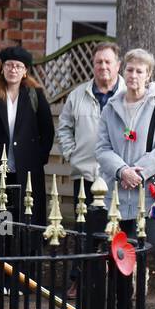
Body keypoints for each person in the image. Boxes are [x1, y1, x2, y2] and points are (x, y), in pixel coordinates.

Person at [96, 47, 155, 309]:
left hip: (151, 190)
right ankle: (123, 307)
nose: (134, 75)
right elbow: (102, 148)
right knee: (121, 247)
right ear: (123, 71)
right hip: (120, 190)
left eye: (140, 71)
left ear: (148, 75)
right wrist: (122, 170)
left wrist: (140, 171)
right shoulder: (112, 107)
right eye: (130, 70)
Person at [0, 45, 55, 292]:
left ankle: (22, 280)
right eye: (9, 65)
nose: (13, 70)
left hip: (27, 172)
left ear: (25, 71)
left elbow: (47, 132)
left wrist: (38, 158)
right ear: (2, 68)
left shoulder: (35, 96)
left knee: (24, 224)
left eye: (18, 66)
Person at [56, 41, 124, 200]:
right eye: (99, 62)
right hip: (84, 176)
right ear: (93, 65)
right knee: (84, 224)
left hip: (120, 177)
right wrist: (72, 155)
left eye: (108, 62)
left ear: (118, 65)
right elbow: (64, 129)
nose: (103, 66)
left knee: (116, 225)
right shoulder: (77, 95)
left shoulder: (128, 95)